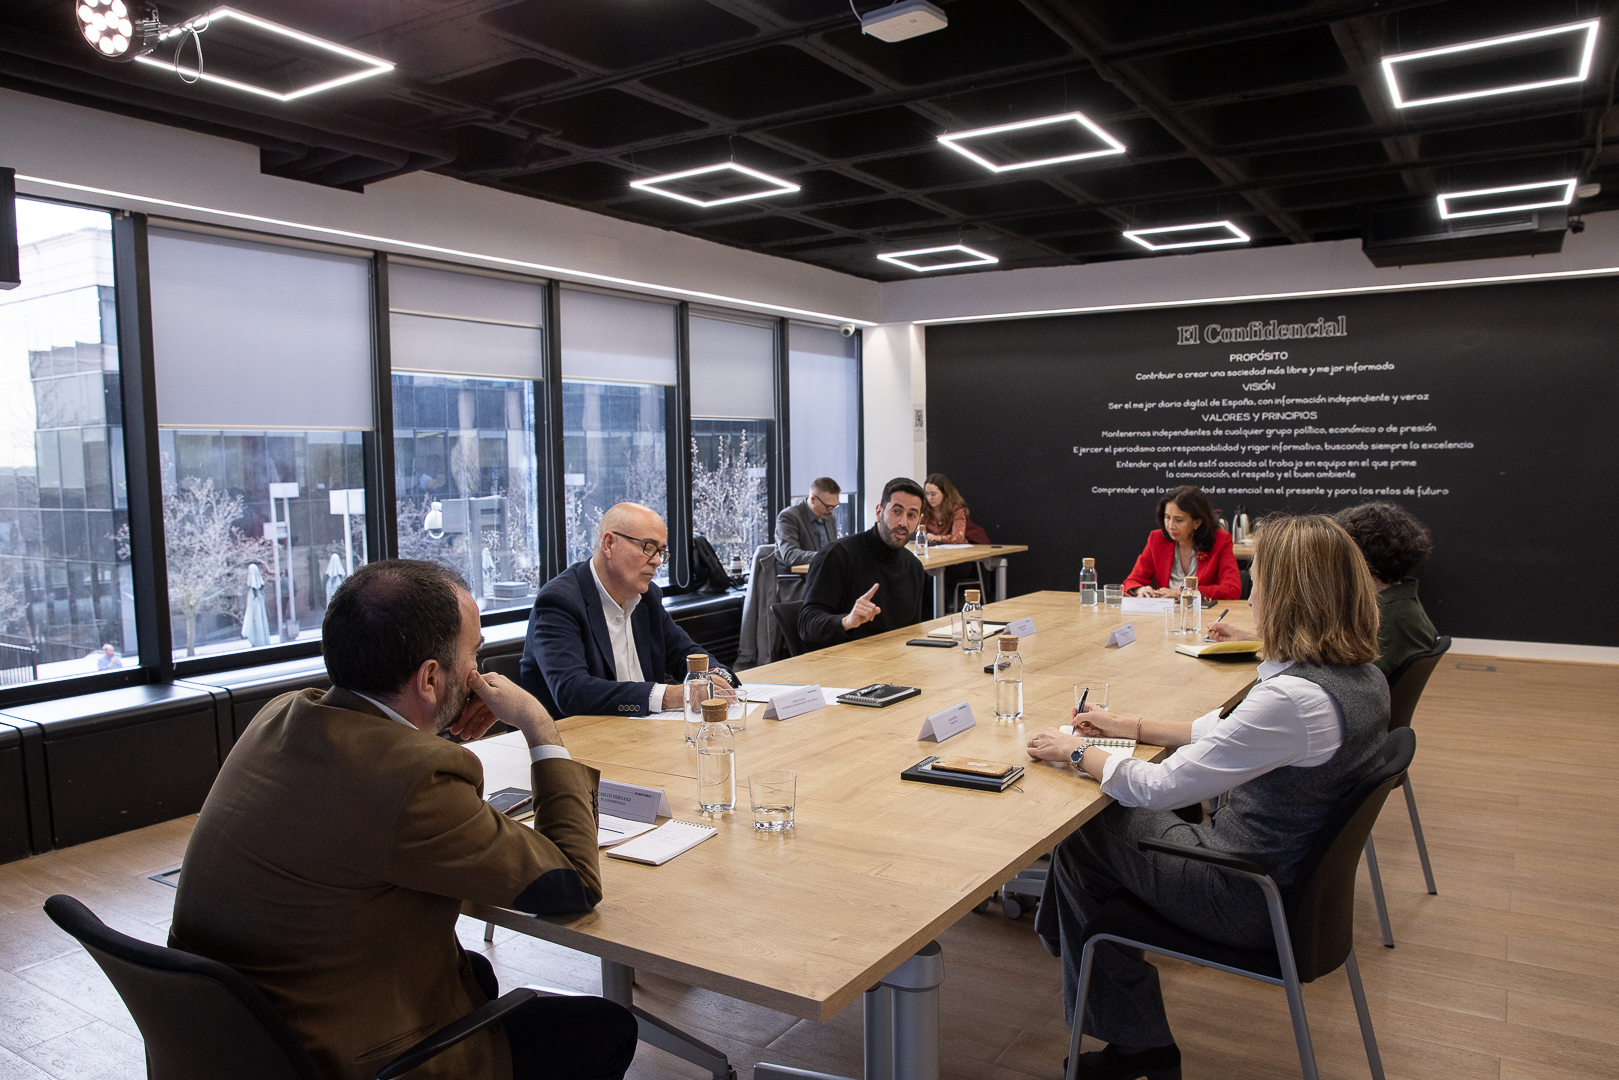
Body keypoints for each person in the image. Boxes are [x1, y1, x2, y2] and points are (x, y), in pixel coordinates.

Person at [169, 560, 636, 1080]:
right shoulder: (414, 780)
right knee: (604, 1028)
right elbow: (569, 885)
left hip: (239, 1041)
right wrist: (539, 725)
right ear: (430, 677)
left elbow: (369, 794)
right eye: (473, 655)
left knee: (474, 974)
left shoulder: (280, 714)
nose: (478, 674)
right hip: (342, 1058)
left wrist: (432, 723)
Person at [1025, 515, 1389, 1080]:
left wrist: (1074, 751)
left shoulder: (1293, 699)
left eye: (1259, 579)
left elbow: (1157, 785)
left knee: (1087, 827)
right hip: (1295, 889)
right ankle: (1075, 950)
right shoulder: (1359, 677)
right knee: (1102, 844)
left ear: (1290, 594)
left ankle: (1131, 1036)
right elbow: (1229, 736)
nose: (1250, 592)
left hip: (1245, 893)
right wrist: (1130, 724)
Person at [521, 502, 737, 719]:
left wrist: (714, 676)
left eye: (661, 552)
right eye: (648, 547)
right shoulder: (559, 601)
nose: (657, 562)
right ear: (609, 544)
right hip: (578, 741)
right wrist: (668, 695)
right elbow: (572, 691)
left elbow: (684, 653)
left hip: (641, 734)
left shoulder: (647, 597)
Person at [1208, 501, 1438, 678]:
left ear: (1357, 558)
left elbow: (1325, 669)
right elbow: (1324, 651)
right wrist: (1250, 637)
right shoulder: (1400, 605)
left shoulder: (1385, 619)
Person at [798, 477, 929, 649]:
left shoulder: (914, 567)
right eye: (896, 511)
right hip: (842, 665)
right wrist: (846, 621)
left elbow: (911, 634)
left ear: (919, 521)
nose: (903, 522)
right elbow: (807, 624)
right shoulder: (838, 555)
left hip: (894, 663)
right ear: (879, 512)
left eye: (911, 515)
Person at [1120, 485, 1241, 600]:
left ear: (1197, 522)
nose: (1170, 526)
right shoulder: (1157, 539)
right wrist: (1140, 590)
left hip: (1205, 615)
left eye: (1179, 520)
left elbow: (1232, 589)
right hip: (1166, 614)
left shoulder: (1221, 540)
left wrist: (1183, 593)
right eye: (1167, 517)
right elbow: (1131, 581)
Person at [776, 477, 840, 569]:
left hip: (823, 576)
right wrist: (823, 556)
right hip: (799, 579)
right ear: (813, 499)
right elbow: (790, 554)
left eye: (835, 506)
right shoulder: (789, 516)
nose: (832, 511)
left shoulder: (830, 519)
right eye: (828, 506)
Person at [921, 473, 968, 544]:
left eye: (933, 494)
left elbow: (958, 538)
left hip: (953, 552)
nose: (929, 498)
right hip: (931, 550)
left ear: (944, 494)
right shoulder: (923, 509)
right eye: (927, 494)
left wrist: (937, 538)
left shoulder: (956, 510)